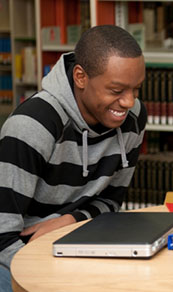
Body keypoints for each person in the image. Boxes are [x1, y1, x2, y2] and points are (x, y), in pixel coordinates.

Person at [0, 25, 146, 290]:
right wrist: (57, 278)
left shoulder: (133, 118)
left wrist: (71, 219)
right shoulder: (32, 125)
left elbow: (111, 201)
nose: (128, 102)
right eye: (116, 90)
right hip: (18, 255)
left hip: (82, 239)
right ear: (80, 77)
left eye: (136, 89)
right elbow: (2, 236)